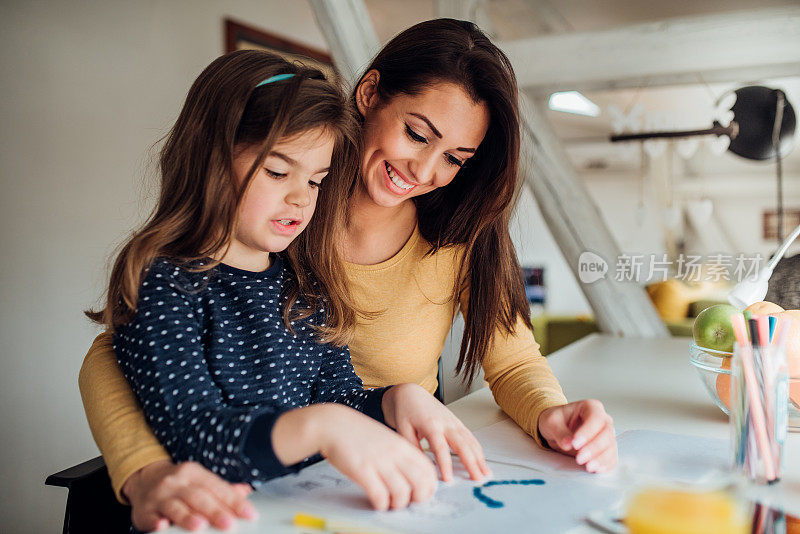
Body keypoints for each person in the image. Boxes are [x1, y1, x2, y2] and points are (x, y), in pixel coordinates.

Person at [79, 19, 617, 532]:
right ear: (370, 94)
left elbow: (510, 359)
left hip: (345, 483)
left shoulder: (441, 234)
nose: (425, 172)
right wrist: (143, 470)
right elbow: (124, 351)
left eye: (455, 158)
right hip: (244, 490)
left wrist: (549, 413)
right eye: (415, 134)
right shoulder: (275, 228)